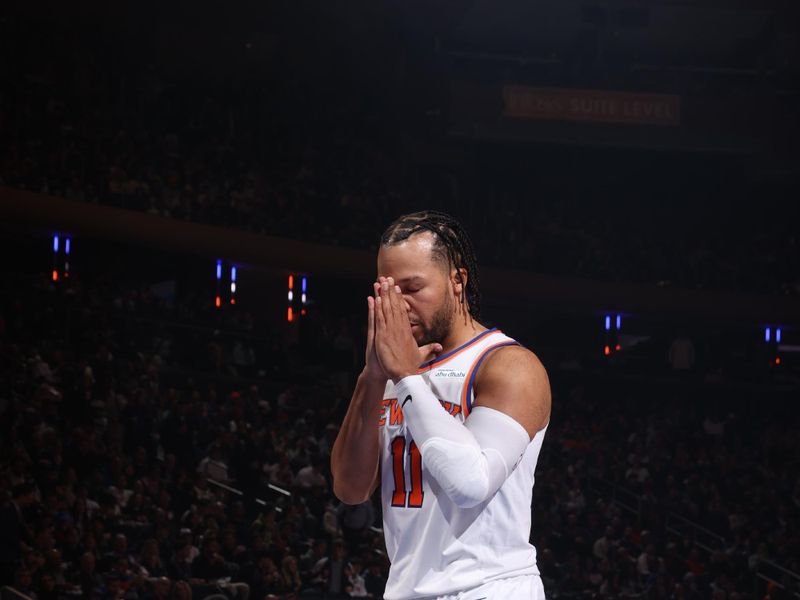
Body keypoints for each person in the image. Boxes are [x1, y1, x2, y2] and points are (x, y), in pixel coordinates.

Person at [331, 211, 552, 599]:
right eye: (387, 291)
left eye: (412, 288)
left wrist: (404, 377)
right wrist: (372, 377)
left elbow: (472, 483)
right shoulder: (394, 372)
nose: (398, 305)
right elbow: (350, 489)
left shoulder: (510, 365)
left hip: (488, 589)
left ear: (457, 281)